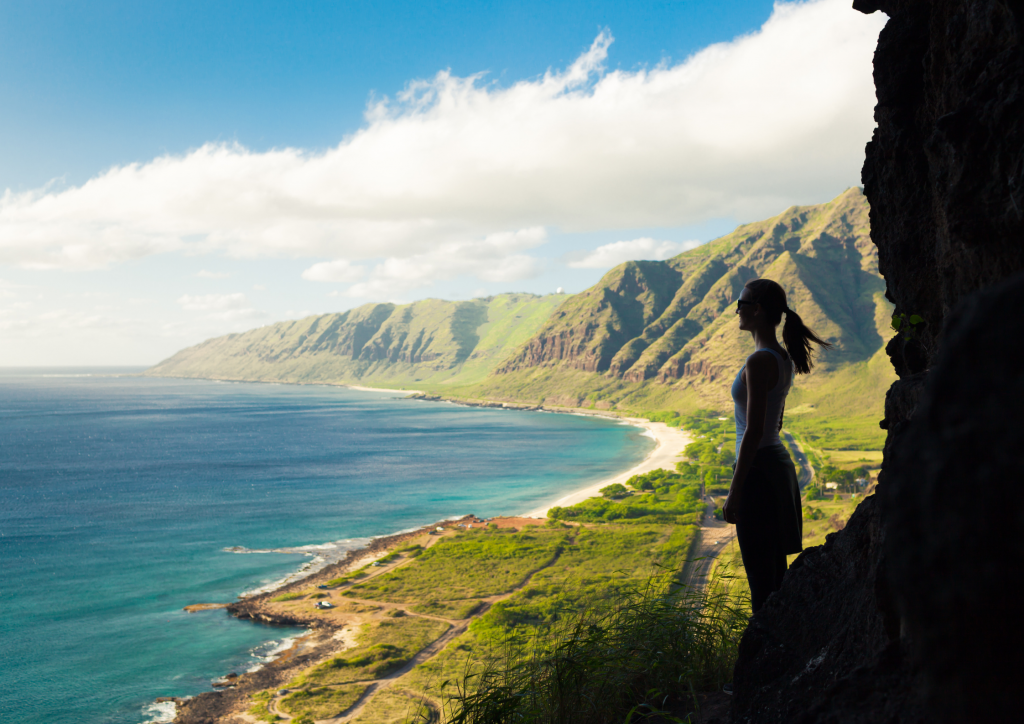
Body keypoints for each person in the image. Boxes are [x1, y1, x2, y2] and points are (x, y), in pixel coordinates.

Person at [723, 279, 831, 614]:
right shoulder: (781, 358)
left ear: (756, 310)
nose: (736, 311)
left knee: (760, 576)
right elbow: (776, 422)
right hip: (777, 466)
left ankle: (764, 655)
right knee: (774, 572)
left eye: (740, 304)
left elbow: (754, 431)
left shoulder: (759, 362)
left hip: (758, 469)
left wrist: (734, 490)